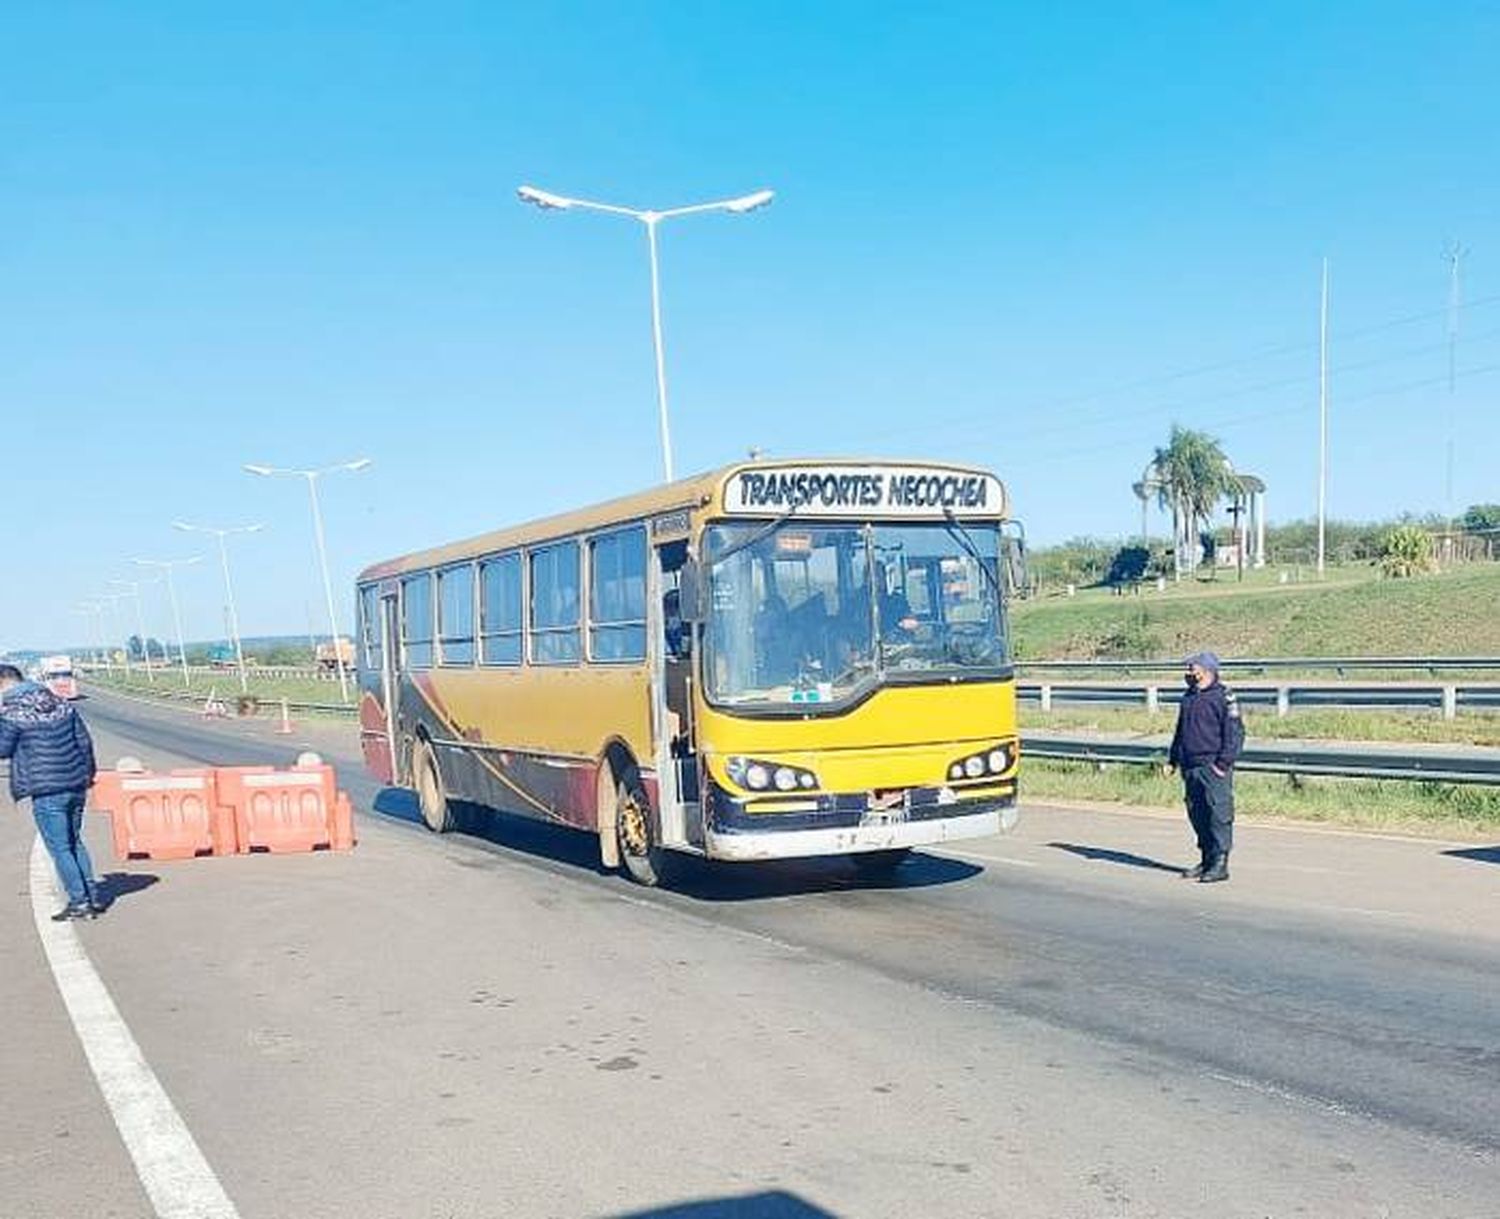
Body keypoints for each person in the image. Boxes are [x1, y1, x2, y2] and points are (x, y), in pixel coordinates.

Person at [0, 663, 104, 919]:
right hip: (75, 784)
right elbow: (84, 741)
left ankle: (79, 902)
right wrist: (88, 775)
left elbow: (3, 748)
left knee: (60, 847)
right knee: (74, 841)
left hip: (46, 788)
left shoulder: (14, 712)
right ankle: (91, 896)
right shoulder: (62, 705)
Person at [1166, 651, 1244, 883]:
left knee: (1218, 814)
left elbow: (1235, 733)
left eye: (1192, 668)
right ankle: (1207, 859)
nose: (1188, 672)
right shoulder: (1188, 697)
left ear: (1207, 669)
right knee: (1197, 814)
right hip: (1190, 766)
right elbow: (1180, 731)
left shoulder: (1224, 697)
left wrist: (1222, 764)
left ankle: (1220, 864)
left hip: (1213, 766)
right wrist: (1173, 760)